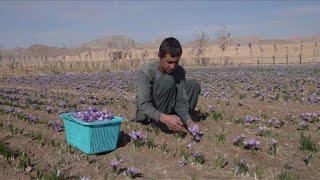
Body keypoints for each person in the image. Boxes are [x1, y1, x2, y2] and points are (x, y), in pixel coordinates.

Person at [135, 37, 201, 132]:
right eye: (169, 62)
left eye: (176, 62)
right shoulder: (146, 72)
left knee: (193, 85)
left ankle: (178, 120)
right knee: (168, 80)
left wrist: (188, 120)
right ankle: (161, 123)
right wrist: (164, 118)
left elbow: (180, 98)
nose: (173, 66)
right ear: (159, 56)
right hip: (152, 115)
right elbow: (143, 104)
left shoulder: (179, 71)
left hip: (171, 107)